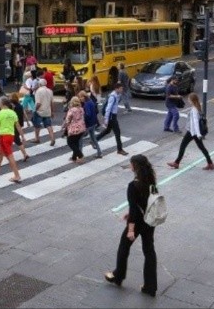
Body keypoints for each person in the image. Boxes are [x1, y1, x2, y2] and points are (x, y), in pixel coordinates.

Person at [104, 154, 158, 296]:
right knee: (149, 251)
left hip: (138, 221)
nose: (130, 166)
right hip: (150, 219)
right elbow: (148, 200)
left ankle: (118, 276)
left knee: (124, 247)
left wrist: (131, 229)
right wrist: (132, 212)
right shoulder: (151, 179)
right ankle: (150, 286)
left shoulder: (133, 185)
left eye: (131, 164)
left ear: (135, 166)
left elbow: (134, 209)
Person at [167, 93, 214, 170]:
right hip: (194, 132)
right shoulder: (197, 108)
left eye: (189, 99)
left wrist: (198, 133)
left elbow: (195, 122)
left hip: (192, 132)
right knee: (202, 148)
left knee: (183, 146)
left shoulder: (194, 110)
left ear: (192, 100)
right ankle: (210, 163)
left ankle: (176, 163)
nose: (188, 100)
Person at [0, 97, 24, 183]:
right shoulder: (13, 113)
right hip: (11, 136)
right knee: (0, 153)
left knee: (9, 156)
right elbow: (18, 126)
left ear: (2, 104)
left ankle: (17, 175)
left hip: (3, 136)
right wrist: (23, 136)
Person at [97, 83, 128, 156]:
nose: (122, 89)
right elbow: (108, 109)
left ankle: (95, 140)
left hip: (113, 115)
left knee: (107, 130)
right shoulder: (112, 97)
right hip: (111, 116)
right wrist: (106, 120)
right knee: (117, 132)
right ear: (116, 89)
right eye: (120, 88)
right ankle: (120, 149)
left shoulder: (117, 95)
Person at [62, 97, 87, 163]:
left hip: (74, 129)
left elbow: (67, 120)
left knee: (70, 142)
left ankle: (80, 155)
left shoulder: (71, 110)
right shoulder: (81, 109)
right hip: (81, 127)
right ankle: (74, 158)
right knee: (75, 143)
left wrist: (64, 126)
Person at [32, 79, 56, 146]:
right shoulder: (50, 91)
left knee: (37, 125)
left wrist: (35, 110)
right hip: (47, 111)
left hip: (39, 111)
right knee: (49, 125)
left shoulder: (38, 91)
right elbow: (52, 103)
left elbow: (38, 103)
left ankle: (37, 138)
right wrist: (52, 111)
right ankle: (52, 138)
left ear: (39, 84)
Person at [80, 91, 103, 159]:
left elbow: (88, 114)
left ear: (84, 97)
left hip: (88, 124)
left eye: (80, 97)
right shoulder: (91, 102)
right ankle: (99, 152)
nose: (80, 99)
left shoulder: (86, 104)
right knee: (93, 138)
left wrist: (82, 117)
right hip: (93, 123)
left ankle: (80, 155)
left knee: (80, 139)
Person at [9, 92, 30, 161]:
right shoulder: (20, 105)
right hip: (20, 123)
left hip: (14, 124)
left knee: (16, 139)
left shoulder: (12, 106)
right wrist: (27, 121)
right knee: (13, 138)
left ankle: (25, 154)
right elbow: (24, 113)